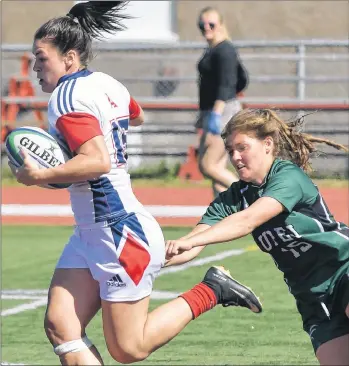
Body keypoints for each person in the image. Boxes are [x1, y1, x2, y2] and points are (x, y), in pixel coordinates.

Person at [9, 2, 263, 365]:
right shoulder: (105, 82)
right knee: (61, 325)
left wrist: (41, 175)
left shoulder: (65, 97)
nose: (35, 67)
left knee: (128, 348)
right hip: (93, 232)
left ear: (68, 59)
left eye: (41, 58)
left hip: (117, 232)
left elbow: (97, 161)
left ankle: (210, 290)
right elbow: (137, 116)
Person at [165, 108, 349, 365]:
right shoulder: (234, 196)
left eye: (242, 147)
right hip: (311, 297)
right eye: (230, 150)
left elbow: (248, 219)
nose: (235, 157)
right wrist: (147, 260)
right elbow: (193, 243)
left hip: (343, 269)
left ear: (267, 144)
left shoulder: (288, 177)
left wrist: (192, 241)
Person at [195, 6, 247, 198]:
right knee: (217, 169)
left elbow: (227, 84)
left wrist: (216, 114)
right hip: (213, 111)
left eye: (211, 24)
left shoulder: (225, 50)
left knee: (208, 165)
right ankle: (223, 217)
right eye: (202, 24)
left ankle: (251, 194)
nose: (206, 28)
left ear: (221, 25)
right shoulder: (214, 50)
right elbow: (242, 79)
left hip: (223, 112)